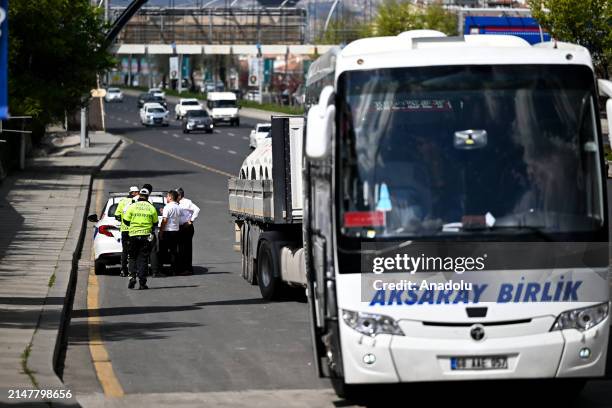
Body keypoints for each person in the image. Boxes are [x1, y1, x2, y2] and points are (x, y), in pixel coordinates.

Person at [123, 187, 159, 290]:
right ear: (148, 196)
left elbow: (125, 221)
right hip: (145, 236)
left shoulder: (132, 206)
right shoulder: (151, 208)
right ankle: (142, 283)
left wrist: (134, 225)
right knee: (143, 259)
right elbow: (155, 223)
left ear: (139, 196)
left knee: (132, 257)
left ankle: (132, 277)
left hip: (133, 235)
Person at [114, 186, 139, 277]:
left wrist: (123, 219)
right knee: (135, 251)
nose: (138, 194)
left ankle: (124, 270)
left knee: (125, 251)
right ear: (133, 193)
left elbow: (117, 215)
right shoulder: (137, 202)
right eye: (137, 192)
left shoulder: (122, 201)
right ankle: (134, 270)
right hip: (134, 230)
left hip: (125, 229)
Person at [176, 187, 200, 275]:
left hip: (186, 227)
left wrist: (191, 220)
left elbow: (197, 209)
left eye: (176, 194)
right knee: (180, 249)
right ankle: (180, 268)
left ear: (179, 195)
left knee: (186, 249)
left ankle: (188, 269)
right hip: (179, 227)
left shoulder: (187, 202)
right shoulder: (176, 203)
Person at [159, 190, 181, 276]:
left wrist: (161, 231)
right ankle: (174, 270)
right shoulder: (178, 207)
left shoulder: (167, 207)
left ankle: (161, 270)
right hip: (175, 231)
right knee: (174, 251)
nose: (166, 198)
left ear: (171, 197)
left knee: (162, 252)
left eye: (167, 196)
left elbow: (165, 220)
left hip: (167, 231)